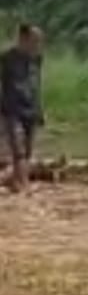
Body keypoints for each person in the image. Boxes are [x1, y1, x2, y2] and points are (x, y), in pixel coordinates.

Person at [1, 24, 44, 193]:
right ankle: (22, 183)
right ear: (22, 38)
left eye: (39, 41)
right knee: (17, 149)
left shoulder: (37, 58)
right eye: (34, 40)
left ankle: (18, 181)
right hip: (12, 108)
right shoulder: (6, 58)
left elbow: (36, 84)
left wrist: (39, 108)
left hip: (30, 107)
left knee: (28, 149)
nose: (37, 44)